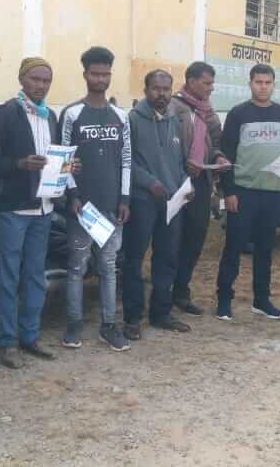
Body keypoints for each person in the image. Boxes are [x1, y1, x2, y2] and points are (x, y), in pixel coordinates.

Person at [0, 58, 65, 368]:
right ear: (21, 79)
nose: (41, 85)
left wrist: (66, 167)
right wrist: (19, 164)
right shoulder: (5, 115)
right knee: (8, 276)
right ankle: (7, 342)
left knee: (35, 275)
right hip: (13, 208)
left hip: (43, 207)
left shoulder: (51, 117)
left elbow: (54, 158)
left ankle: (30, 336)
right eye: (35, 79)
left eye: (46, 81)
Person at [60, 46, 131, 352]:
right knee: (77, 267)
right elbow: (64, 159)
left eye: (106, 74)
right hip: (82, 208)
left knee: (108, 266)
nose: (101, 79)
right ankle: (74, 324)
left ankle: (109, 325)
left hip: (112, 206)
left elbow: (126, 159)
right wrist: (73, 194)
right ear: (85, 74)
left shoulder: (120, 116)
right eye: (95, 74)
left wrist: (125, 199)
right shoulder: (72, 114)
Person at [216, 64, 280, 322]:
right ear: (250, 83)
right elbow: (226, 155)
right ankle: (224, 300)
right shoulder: (238, 114)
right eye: (258, 82)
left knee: (264, 250)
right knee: (233, 248)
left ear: (274, 84)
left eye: (267, 82)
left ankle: (261, 300)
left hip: (273, 193)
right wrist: (229, 192)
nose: (263, 87)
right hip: (243, 192)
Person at [123, 69, 192, 340]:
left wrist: (185, 185)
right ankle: (132, 317)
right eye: (156, 88)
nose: (161, 94)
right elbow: (126, 161)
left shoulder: (175, 119)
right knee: (134, 259)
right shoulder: (132, 120)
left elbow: (179, 160)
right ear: (145, 90)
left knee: (167, 258)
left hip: (172, 202)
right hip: (142, 201)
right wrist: (149, 182)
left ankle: (161, 313)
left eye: (166, 89)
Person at [170, 61, 230, 315]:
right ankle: (163, 295)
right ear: (191, 81)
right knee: (172, 240)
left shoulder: (209, 112)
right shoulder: (173, 107)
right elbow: (165, 145)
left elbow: (215, 144)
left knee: (195, 240)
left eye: (212, 83)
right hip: (174, 183)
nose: (211, 88)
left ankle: (181, 292)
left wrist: (218, 158)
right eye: (207, 83)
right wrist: (183, 164)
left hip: (201, 183)